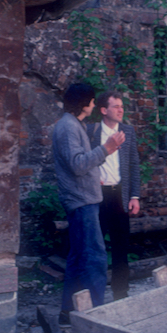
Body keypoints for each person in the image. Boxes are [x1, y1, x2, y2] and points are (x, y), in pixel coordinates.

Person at [52, 82, 124, 320]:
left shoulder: (73, 125)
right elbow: (78, 164)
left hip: (83, 200)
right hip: (82, 202)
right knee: (94, 259)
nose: (94, 105)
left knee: (78, 257)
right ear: (84, 104)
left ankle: (68, 312)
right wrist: (107, 149)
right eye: (92, 101)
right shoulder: (69, 127)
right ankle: (96, 317)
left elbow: (80, 163)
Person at [89, 88, 141, 301]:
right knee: (96, 246)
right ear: (103, 110)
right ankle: (95, 295)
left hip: (120, 195)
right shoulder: (91, 132)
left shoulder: (127, 132)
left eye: (122, 106)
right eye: (116, 106)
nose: (121, 110)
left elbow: (134, 165)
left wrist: (135, 196)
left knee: (121, 246)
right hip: (98, 196)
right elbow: (85, 160)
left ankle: (121, 294)